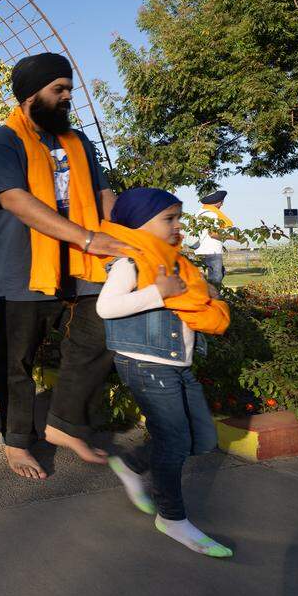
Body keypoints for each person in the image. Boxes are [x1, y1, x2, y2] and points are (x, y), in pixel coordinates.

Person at [0, 52, 129, 479]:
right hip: (21, 273)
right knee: (17, 363)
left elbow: (104, 195)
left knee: (100, 335)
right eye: (57, 90)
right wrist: (86, 236)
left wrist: (134, 234)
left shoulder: (78, 142)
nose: (67, 99)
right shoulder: (2, 142)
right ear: (30, 96)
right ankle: (17, 442)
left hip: (82, 267)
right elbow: (14, 200)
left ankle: (64, 424)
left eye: (69, 91)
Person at [96, 188, 233, 558]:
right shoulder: (131, 262)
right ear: (139, 223)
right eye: (168, 219)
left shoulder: (171, 259)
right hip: (146, 364)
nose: (177, 225)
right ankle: (172, 518)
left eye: (178, 217)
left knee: (201, 438)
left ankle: (131, 464)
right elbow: (106, 307)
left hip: (176, 363)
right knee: (174, 442)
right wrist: (159, 293)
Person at [196, 190, 231, 285]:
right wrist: (232, 237)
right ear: (218, 202)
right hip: (211, 251)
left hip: (202, 250)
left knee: (220, 273)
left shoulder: (200, 212)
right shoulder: (212, 214)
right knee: (216, 278)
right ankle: (211, 297)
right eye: (222, 202)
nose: (222, 205)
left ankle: (207, 293)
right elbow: (213, 233)